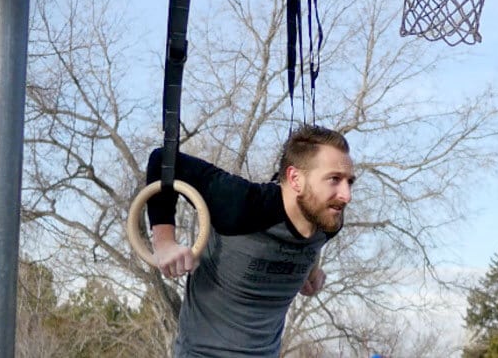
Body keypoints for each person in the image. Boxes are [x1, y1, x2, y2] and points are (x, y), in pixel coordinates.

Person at [145, 124, 355, 357]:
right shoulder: (240, 204)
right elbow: (163, 160)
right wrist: (164, 242)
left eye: (349, 181)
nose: (346, 195)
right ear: (295, 179)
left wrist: (312, 270)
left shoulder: (328, 221)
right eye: (334, 179)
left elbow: (310, 241)